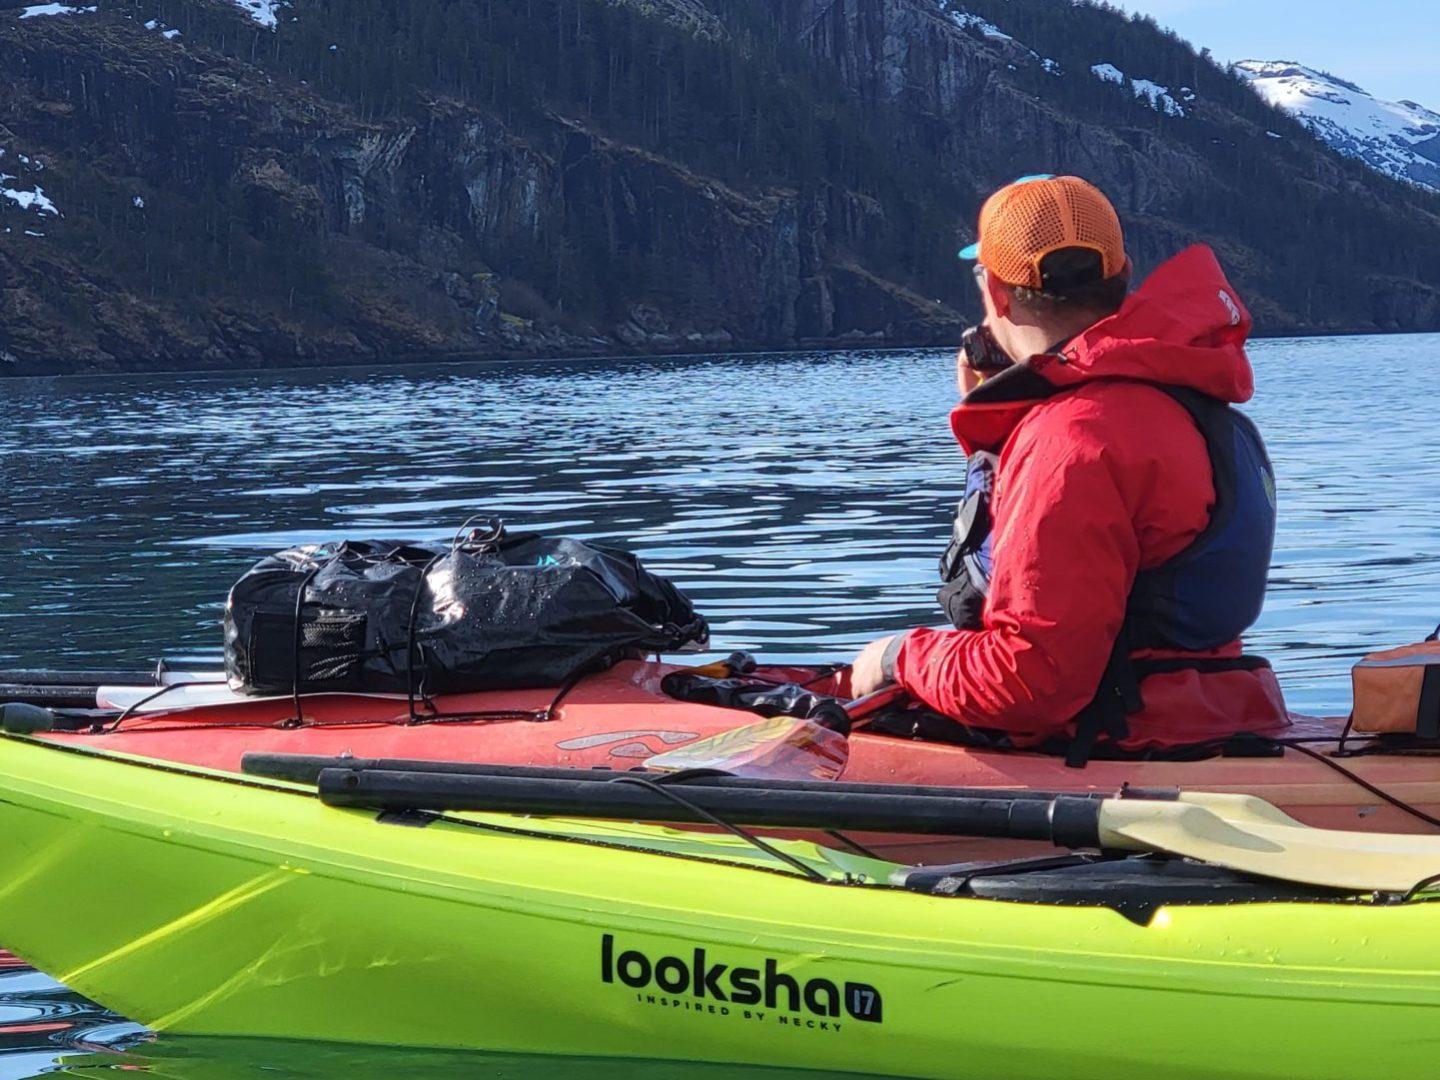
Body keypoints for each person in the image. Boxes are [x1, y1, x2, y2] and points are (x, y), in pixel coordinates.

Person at [850, 174, 1289, 764]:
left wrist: (897, 656)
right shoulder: (1188, 402)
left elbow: (1030, 685)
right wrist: (1002, 446)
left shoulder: (1072, 438)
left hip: (1120, 748)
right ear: (1125, 276)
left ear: (997, 295)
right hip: (1216, 718)